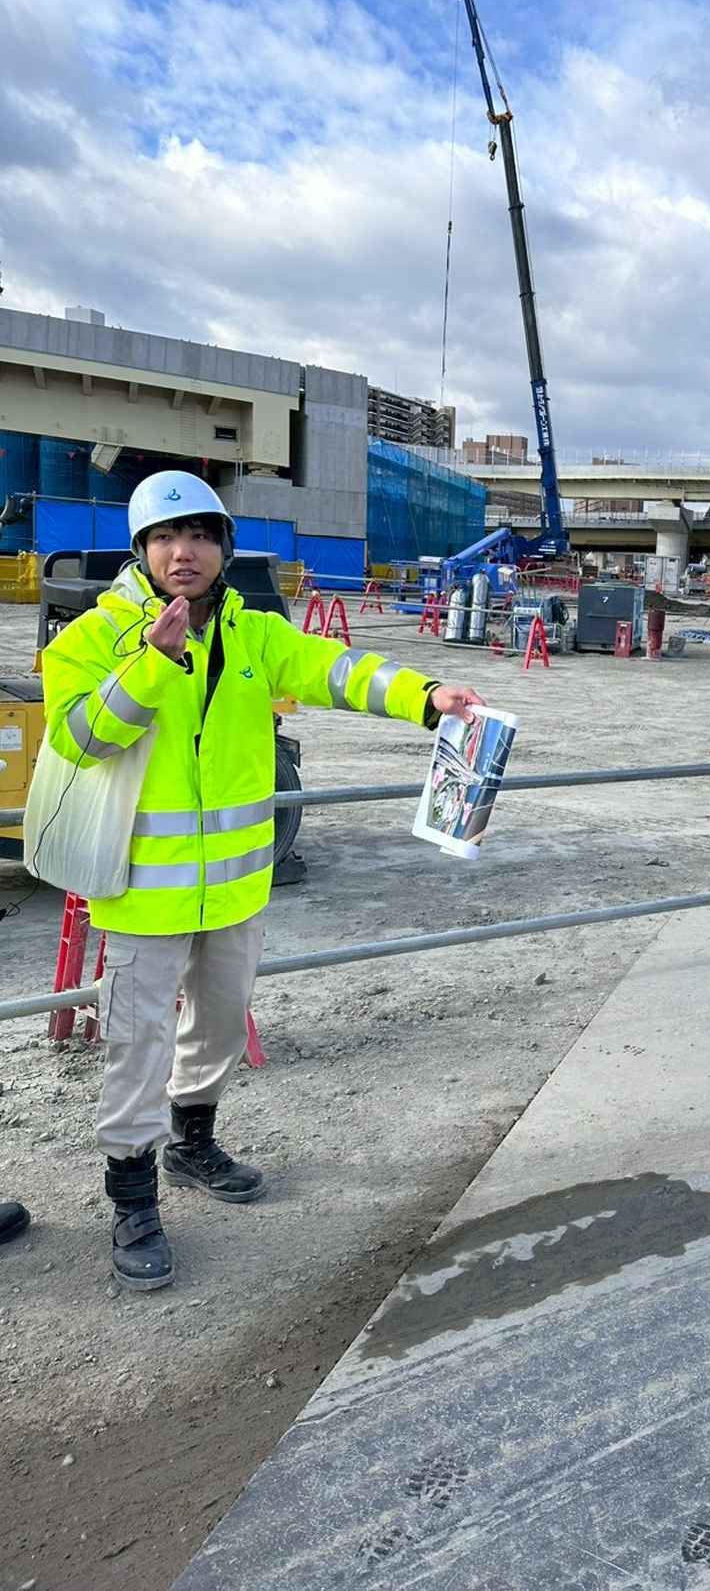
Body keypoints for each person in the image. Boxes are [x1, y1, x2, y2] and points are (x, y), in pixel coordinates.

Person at [40, 472, 482, 1292]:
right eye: (168, 539)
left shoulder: (254, 634)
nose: (185, 552)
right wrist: (151, 665)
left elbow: (337, 669)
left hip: (237, 888)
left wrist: (426, 696)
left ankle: (194, 1146)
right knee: (135, 1044)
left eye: (202, 536)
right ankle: (131, 1195)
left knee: (212, 1030)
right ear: (141, 551)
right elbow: (77, 740)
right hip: (141, 892)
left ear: (223, 550)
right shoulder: (90, 638)